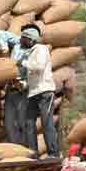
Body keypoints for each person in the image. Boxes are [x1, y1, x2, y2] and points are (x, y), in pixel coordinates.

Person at [15, 26, 58, 158]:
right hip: (33, 93)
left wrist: (23, 63)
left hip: (45, 92)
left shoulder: (41, 49)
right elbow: (33, 77)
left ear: (30, 39)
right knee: (29, 123)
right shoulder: (31, 52)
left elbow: (38, 67)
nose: (21, 41)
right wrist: (22, 84)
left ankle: (53, 153)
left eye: (23, 38)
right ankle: (33, 153)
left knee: (47, 123)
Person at [0, 28, 29, 146]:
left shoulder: (35, 51)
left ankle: (25, 150)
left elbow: (37, 74)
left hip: (23, 90)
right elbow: (0, 33)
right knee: (9, 123)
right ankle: (14, 148)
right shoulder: (18, 42)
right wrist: (5, 47)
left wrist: (24, 84)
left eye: (26, 37)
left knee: (22, 122)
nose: (22, 38)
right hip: (10, 89)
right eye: (22, 36)